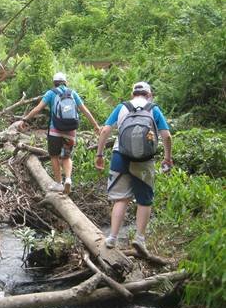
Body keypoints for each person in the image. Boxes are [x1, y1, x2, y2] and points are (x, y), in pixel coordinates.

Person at [95, 82, 173, 254]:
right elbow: (166, 136)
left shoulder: (122, 107)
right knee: (144, 200)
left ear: (133, 94)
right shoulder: (154, 109)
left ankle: (112, 238)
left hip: (120, 156)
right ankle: (139, 239)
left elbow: (105, 131)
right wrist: (167, 158)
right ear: (149, 95)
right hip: (144, 160)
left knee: (121, 199)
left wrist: (99, 155)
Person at [18, 72, 100, 194]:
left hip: (55, 131)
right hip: (70, 131)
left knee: (54, 156)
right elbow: (85, 110)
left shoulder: (51, 93)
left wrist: (25, 119)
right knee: (66, 157)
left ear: (54, 82)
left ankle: (58, 183)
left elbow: (37, 108)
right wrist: (95, 125)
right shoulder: (73, 93)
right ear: (65, 82)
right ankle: (68, 178)